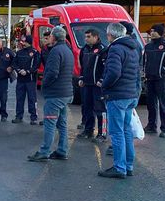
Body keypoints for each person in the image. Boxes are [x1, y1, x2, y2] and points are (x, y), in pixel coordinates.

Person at [97, 23, 141, 179]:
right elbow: (137, 73)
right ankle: (128, 166)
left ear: (110, 35)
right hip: (130, 94)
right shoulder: (133, 48)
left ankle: (119, 167)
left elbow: (114, 72)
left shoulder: (115, 48)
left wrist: (104, 85)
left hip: (117, 95)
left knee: (116, 133)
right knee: (126, 130)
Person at [27, 27, 74, 162]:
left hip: (55, 94)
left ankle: (44, 151)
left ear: (53, 37)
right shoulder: (68, 51)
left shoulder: (55, 51)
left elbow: (52, 72)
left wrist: (44, 84)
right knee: (62, 123)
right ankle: (62, 150)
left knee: (50, 123)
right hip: (66, 93)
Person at [143, 23, 165, 138]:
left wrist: (164, 70)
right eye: (151, 30)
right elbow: (144, 61)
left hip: (162, 80)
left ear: (160, 32)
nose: (151, 33)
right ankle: (151, 126)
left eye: (154, 30)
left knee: (164, 104)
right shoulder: (148, 46)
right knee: (151, 104)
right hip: (150, 79)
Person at [77, 28, 106, 141]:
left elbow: (106, 67)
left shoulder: (102, 49)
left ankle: (102, 133)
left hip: (98, 85)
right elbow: (83, 66)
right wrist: (81, 78)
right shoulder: (84, 50)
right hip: (86, 84)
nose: (86, 39)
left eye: (88, 37)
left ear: (96, 37)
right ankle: (88, 130)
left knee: (100, 109)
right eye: (85, 37)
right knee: (87, 107)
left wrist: (102, 80)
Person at [11, 35, 40, 125]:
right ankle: (18, 116)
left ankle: (33, 117)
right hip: (20, 80)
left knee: (32, 99)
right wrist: (19, 70)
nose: (22, 43)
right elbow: (14, 63)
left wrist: (27, 72)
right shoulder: (19, 52)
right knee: (19, 99)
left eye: (24, 41)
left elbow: (36, 65)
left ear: (28, 42)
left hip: (30, 80)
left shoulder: (35, 52)